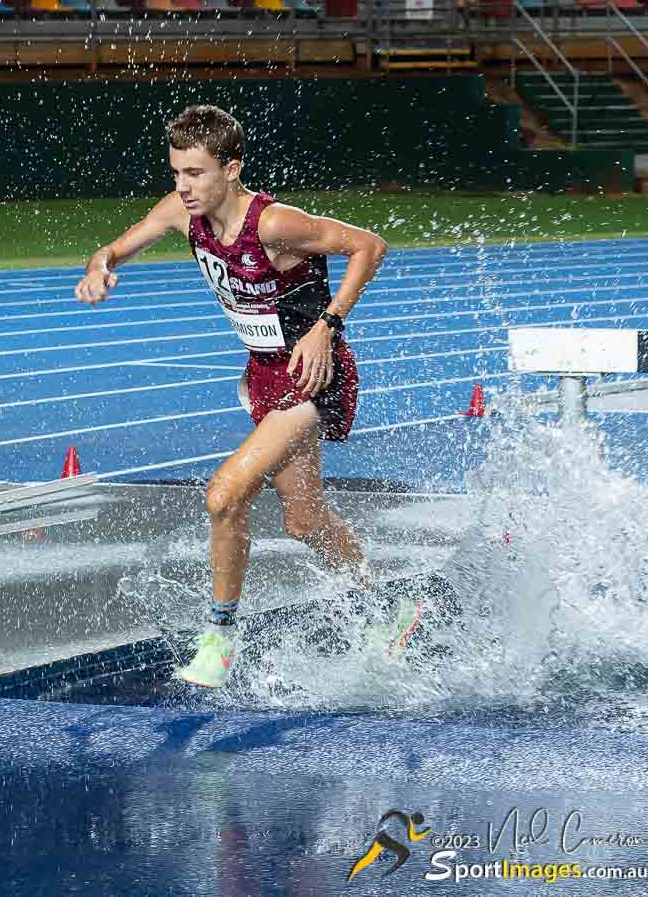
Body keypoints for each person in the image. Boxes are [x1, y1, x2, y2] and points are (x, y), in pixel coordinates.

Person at [74, 104, 417, 688]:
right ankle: (390, 609)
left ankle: (219, 637)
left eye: (195, 173)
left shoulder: (274, 224)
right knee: (305, 520)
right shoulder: (180, 213)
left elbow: (370, 246)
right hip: (262, 377)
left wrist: (327, 326)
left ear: (231, 169)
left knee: (224, 495)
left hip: (311, 375)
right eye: (176, 172)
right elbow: (112, 249)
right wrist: (98, 267)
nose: (183, 186)